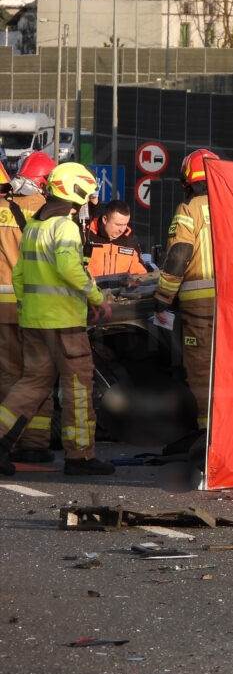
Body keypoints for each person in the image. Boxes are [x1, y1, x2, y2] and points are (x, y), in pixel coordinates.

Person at [0, 162, 114, 476]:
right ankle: (81, 457)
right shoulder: (64, 226)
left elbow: (19, 275)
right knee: (78, 387)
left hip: (34, 322)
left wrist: (28, 308)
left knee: (31, 384)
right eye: (86, 194)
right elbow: (69, 270)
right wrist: (97, 298)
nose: (88, 201)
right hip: (64, 324)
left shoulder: (35, 225)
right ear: (76, 191)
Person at [154, 149, 219, 439]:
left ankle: (205, 434)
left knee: (201, 367)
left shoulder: (189, 209)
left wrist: (163, 298)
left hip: (200, 304)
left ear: (188, 181)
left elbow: (179, 255)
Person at [0, 151, 56, 463]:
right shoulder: (49, 211)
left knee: (9, 374)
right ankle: (35, 441)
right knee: (39, 373)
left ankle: (8, 441)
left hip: (2, 304)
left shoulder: (2, 208)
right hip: (35, 304)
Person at [85, 199, 149, 277]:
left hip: (119, 285)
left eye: (125, 224)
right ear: (105, 219)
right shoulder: (87, 235)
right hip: (89, 284)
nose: (121, 230)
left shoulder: (130, 240)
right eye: (118, 225)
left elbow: (140, 274)